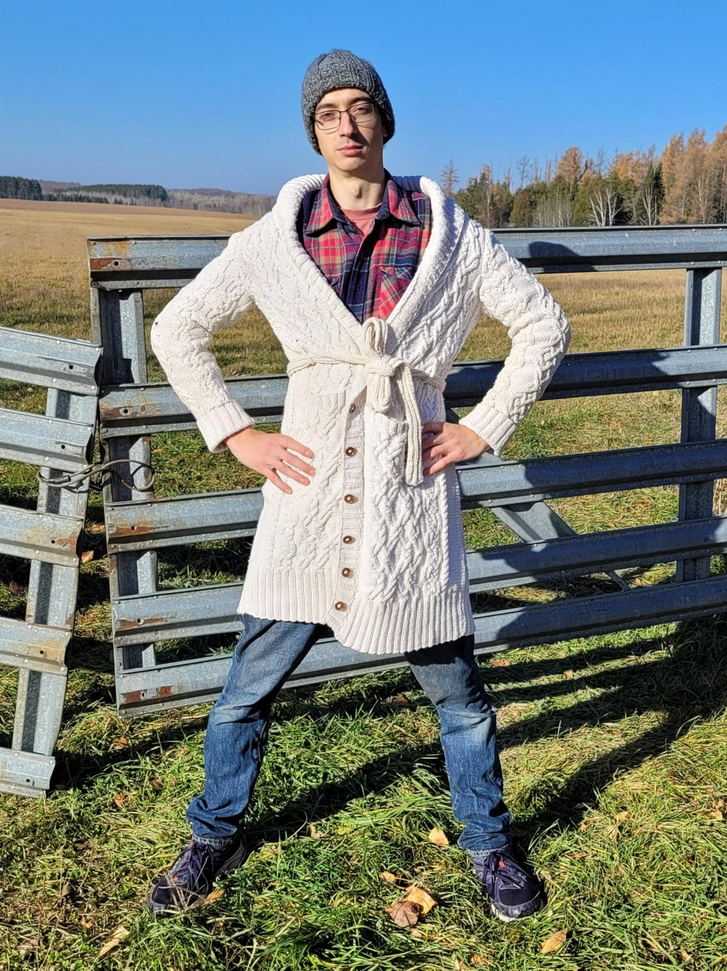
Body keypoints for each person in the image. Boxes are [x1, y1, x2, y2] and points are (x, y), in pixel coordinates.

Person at [147, 49, 570, 921]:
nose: (346, 124)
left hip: (410, 499)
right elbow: (178, 328)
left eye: (360, 107)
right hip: (306, 502)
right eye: (328, 112)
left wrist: (484, 425)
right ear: (313, 131)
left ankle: (488, 844)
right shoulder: (275, 240)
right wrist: (236, 432)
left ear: (385, 119)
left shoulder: (451, 234)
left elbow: (543, 324)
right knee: (245, 690)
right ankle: (212, 833)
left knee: (459, 697)